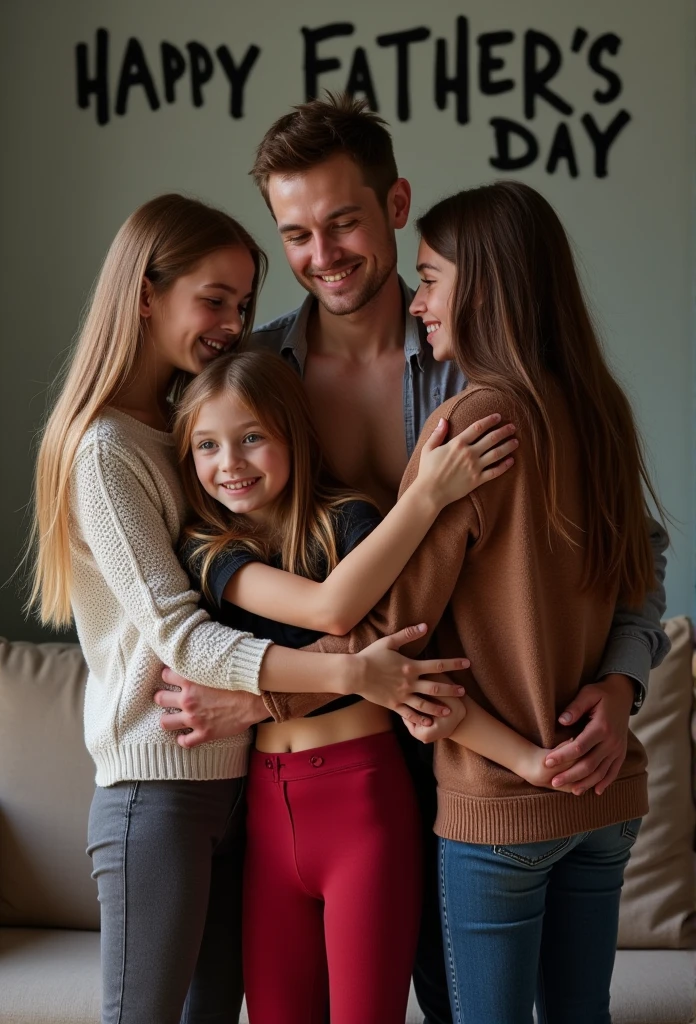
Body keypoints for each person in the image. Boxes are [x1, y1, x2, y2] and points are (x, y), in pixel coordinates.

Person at [157, 96, 670, 1024]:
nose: (324, 254)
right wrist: (254, 688)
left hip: (462, 749)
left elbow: (633, 548)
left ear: (395, 205)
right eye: (298, 234)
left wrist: (625, 680)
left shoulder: (479, 363)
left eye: (344, 221)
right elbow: (200, 565)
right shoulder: (250, 381)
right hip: (327, 761)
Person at [28, 193, 469, 1024]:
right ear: (146, 293)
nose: (233, 324)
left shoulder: (178, 434)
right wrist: (353, 673)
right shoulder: (106, 448)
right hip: (157, 781)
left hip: (238, 782)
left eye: (241, 304)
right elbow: (181, 632)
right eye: (214, 299)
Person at [172, 348, 582, 1024]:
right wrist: (425, 496)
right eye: (206, 445)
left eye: (251, 437)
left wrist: (528, 760)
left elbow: (425, 674)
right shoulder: (209, 550)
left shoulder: (352, 524)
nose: (230, 463)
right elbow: (332, 610)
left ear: (293, 435)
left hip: (367, 808)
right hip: (268, 819)